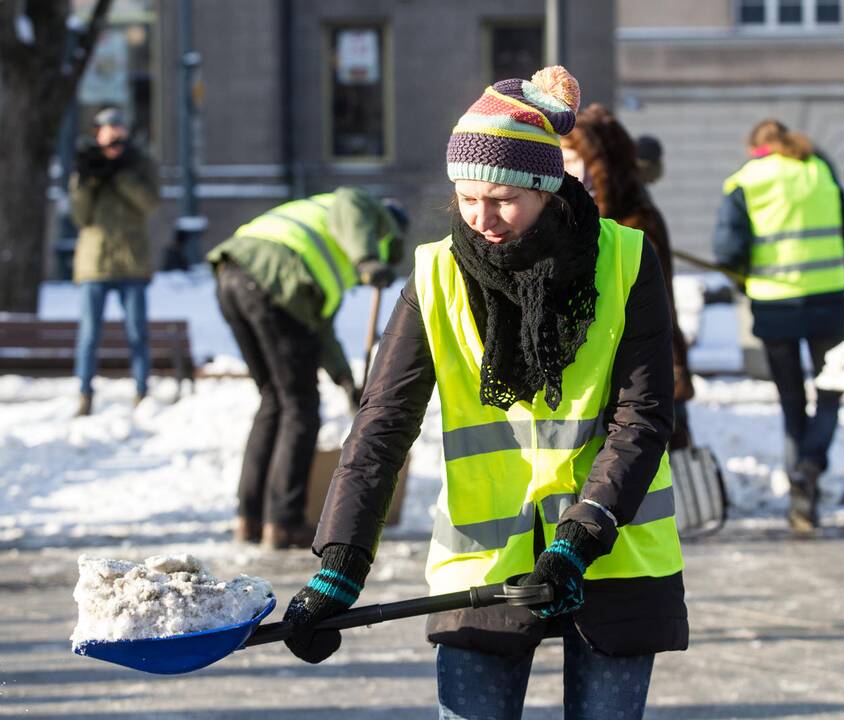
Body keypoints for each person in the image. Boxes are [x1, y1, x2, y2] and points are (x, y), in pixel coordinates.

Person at [280, 66, 687, 719]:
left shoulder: (627, 260)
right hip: (483, 563)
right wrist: (340, 565)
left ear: (548, 190)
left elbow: (642, 415)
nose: (482, 218)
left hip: (613, 554)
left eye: (502, 199)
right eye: (467, 198)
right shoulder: (438, 273)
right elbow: (382, 424)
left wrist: (575, 541)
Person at [206, 188, 406, 550]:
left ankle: (249, 518)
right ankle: (284, 522)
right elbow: (351, 201)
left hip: (233, 275)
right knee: (300, 407)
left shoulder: (316, 244)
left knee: (274, 400)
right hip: (273, 278)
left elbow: (319, 325)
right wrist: (366, 260)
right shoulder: (364, 206)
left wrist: (346, 379)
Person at [713, 119, 844, 531]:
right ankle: (810, 466)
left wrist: (743, 278)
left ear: (756, 145)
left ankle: (800, 495)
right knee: (830, 392)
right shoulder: (820, 168)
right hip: (828, 296)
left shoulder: (746, 180)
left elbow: (728, 248)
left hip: (775, 303)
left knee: (792, 401)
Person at [560, 103, 695, 448]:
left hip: (631, 378)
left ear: (602, 165)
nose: (566, 170)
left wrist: (672, 373)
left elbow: (659, 307)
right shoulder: (562, 217)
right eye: (562, 158)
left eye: (576, 159)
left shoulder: (636, 223)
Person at [69, 107, 161, 416]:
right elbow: (80, 216)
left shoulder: (139, 163)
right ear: (98, 132)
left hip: (132, 261)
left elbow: (149, 203)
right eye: (107, 129)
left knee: (137, 332)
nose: (113, 135)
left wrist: (121, 173)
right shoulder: (87, 164)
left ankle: (141, 390)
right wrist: (89, 178)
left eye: (117, 128)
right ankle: (84, 392)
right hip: (94, 262)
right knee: (89, 334)